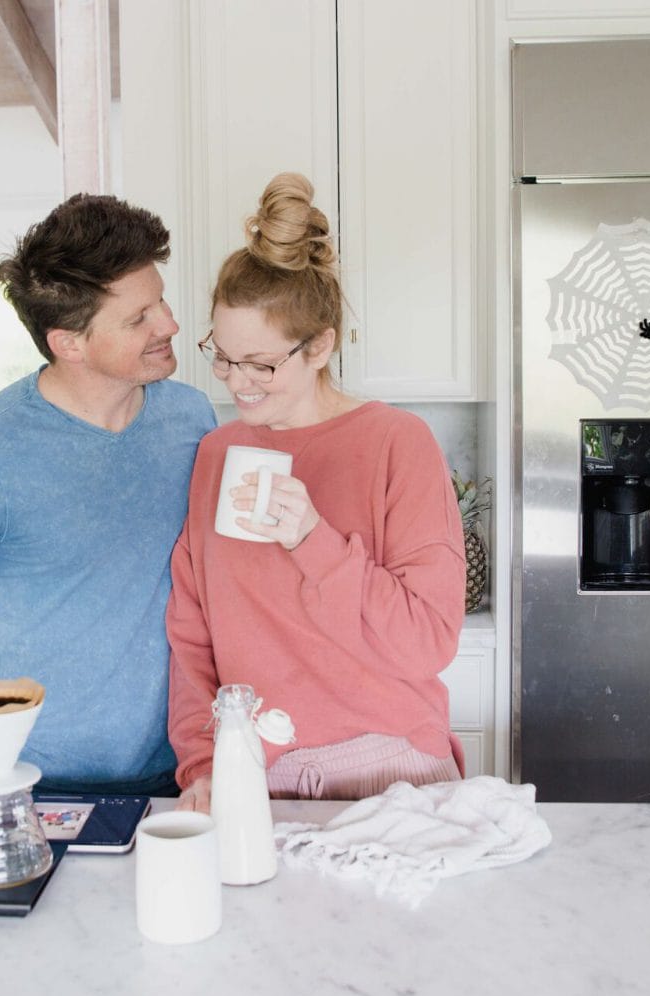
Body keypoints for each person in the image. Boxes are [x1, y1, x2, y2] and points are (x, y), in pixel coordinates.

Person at [0, 193, 217, 824]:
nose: (170, 324)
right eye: (139, 317)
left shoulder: (191, 418)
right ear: (68, 341)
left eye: (161, 300)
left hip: (186, 769)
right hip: (35, 782)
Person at [166, 172, 466, 812]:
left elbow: (426, 642)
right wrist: (203, 760)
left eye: (262, 365)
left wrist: (313, 541)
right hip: (252, 771)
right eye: (222, 356)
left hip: (391, 768)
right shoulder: (217, 456)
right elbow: (192, 635)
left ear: (321, 345)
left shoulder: (397, 443)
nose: (236, 383)